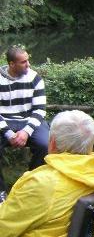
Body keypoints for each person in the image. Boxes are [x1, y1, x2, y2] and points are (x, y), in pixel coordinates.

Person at [0, 45, 49, 203]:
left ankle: (30, 184)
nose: (28, 65)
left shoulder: (35, 78)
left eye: (28, 60)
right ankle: (1, 191)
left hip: (29, 121)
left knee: (46, 144)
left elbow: (40, 110)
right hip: (4, 121)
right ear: (11, 64)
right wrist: (8, 133)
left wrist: (26, 131)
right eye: (24, 62)